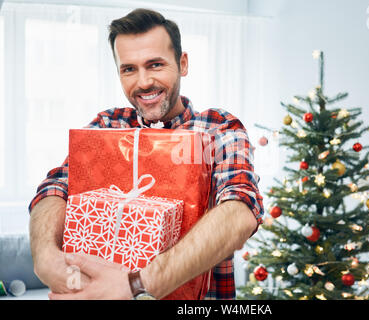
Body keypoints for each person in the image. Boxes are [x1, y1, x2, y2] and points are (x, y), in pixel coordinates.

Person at [28, 8, 264, 300]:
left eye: (155, 65)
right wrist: (44, 255)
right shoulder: (108, 125)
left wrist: (135, 287)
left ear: (183, 63)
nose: (142, 82)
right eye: (129, 69)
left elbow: (241, 209)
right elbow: (56, 186)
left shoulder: (217, 128)